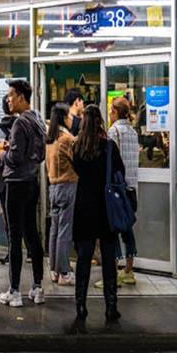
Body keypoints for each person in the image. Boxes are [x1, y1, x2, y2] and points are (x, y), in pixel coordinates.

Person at [0, 79, 46, 308]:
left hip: (16, 184)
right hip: (32, 182)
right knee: (32, 235)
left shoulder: (19, 124)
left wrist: (3, 154)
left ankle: (14, 291)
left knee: (14, 237)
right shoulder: (37, 121)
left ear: (21, 97)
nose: (8, 99)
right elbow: (39, 155)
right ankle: (37, 287)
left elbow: (15, 158)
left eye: (10, 95)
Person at [71, 105, 122, 321]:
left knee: (84, 258)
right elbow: (120, 172)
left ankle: (81, 306)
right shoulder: (109, 147)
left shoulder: (77, 147)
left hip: (84, 206)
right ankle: (111, 306)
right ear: (100, 121)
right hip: (106, 207)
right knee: (109, 258)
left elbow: (77, 170)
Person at [45, 103, 77, 286]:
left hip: (53, 187)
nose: (72, 119)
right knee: (64, 230)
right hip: (67, 186)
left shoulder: (49, 139)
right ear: (64, 118)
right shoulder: (67, 139)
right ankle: (64, 271)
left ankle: (54, 270)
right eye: (70, 116)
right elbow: (77, 159)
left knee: (54, 230)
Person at [108, 96, 139, 286]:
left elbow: (111, 163)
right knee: (127, 230)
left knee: (112, 231)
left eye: (111, 110)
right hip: (132, 189)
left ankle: (113, 272)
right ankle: (129, 270)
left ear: (114, 112)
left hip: (117, 190)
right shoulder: (133, 132)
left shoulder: (114, 132)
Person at [0, 92, 17, 266]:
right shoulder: (22, 125)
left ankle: (11, 251)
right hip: (21, 179)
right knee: (23, 218)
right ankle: (27, 251)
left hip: (2, 181)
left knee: (8, 219)